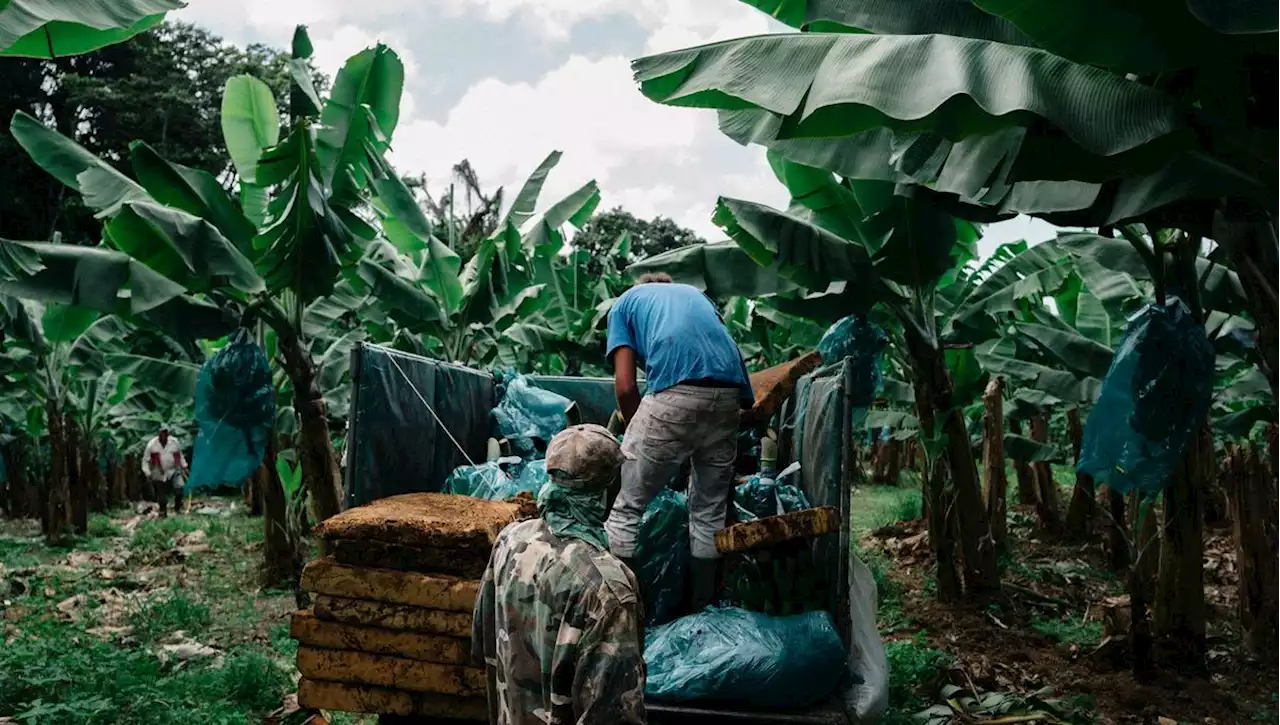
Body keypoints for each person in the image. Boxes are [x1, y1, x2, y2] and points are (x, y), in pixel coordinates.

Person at [473, 424, 646, 725]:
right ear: (607, 489)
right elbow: (613, 714)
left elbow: (481, 644)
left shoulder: (511, 540)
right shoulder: (608, 588)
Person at [603, 272, 754, 612]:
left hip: (675, 391)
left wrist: (638, 437)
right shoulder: (698, 298)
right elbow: (733, 362)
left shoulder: (625, 303)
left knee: (627, 508)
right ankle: (703, 614)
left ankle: (624, 615)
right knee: (708, 512)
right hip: (729, 395)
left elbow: (626, 387)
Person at [140, 426, 187, 517]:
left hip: (173, 468)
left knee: (179, 487)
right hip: (158, 469)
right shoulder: (152, 444)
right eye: (162, 433)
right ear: (159, 434)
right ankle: (163, 511)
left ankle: (178, 507)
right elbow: (145, 460)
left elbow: (179, 455)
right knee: (161, 493)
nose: (164, 435)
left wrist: (184, 466)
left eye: (165, 433)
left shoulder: (174, 442)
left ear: (168, 434)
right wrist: (147, 472)